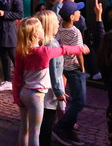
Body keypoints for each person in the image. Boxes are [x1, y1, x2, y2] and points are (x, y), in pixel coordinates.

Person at [13, 17, 90, 146]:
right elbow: (64, 49)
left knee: (24, 128)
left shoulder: (21, 51)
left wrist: (16, 96)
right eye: (41, 28)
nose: (44, 30)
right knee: (35, 132)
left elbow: (17, 77)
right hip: (36, 96)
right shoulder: (44, 51)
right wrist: (80, 49)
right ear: (36, 34)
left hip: (24, 93)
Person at [50, 1, 86, 144]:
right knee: (80, 101)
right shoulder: (75, 32)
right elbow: (79, 52)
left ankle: (67, 129)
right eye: (77, 11)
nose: (80, 12)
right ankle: (61, 127)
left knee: (77, 100)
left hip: (63, 66)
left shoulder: (59, 26)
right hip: (74, 69)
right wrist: (83, 68)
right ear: (71, 17)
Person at [36, 10, 67, 146]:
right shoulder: (51, 45)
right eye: (55, 23)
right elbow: (53, 72)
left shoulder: (43, 44)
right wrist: (59, 92)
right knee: (47, 122)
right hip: (50, 90)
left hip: (41, 87)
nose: (58, 25)